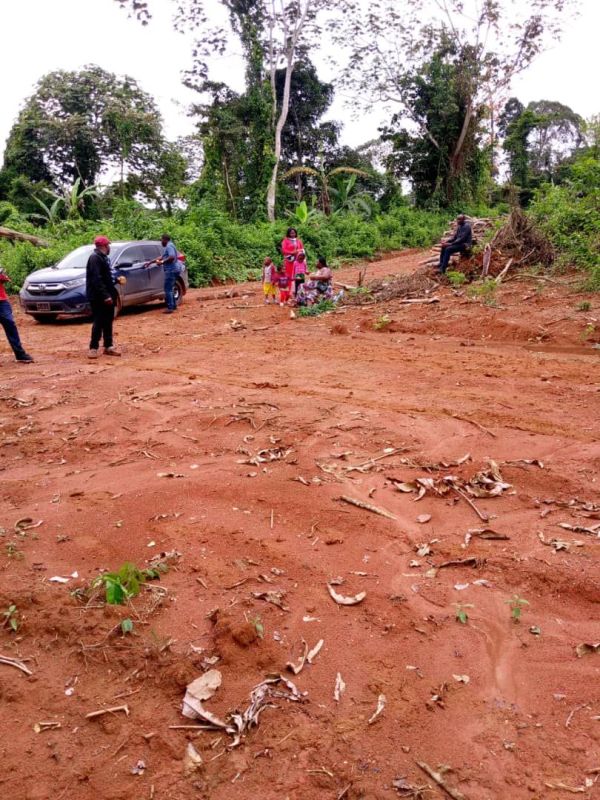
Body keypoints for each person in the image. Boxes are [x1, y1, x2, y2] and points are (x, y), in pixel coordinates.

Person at [86, 236, 120, 359]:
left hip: (108, 295)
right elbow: (96, 279)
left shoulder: (104, 258)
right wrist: (105, 296)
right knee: (99, 321)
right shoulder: (95, 258)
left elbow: (106, 276)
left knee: (108, 321)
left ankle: (108, 346)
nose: (109, 247)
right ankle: (93, 347)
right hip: (99, 297)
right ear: (104, 246)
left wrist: (116, 280)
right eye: (108, 245)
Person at [0, 266, 33, 363]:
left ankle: (20, 354)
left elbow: (6, 278)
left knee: (10, 324)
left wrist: (2, 276)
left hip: (2, 301)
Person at [144, 234, 180, 314]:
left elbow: (171, 257)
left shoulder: (169, 246)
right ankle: (173, 305)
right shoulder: (171, 245)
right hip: (175, 269)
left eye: (161, 240)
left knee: (168, 289)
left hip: (171, 270)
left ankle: (170, 308)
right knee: (171, 287)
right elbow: (162, 256)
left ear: (165, 239)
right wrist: (150, 262)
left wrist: (162, 262)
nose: (161, 242)